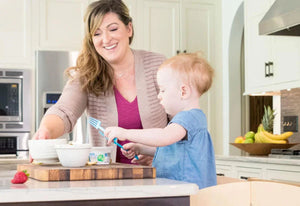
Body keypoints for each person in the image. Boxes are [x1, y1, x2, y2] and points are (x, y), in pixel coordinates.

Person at [32, 0, 168, 165]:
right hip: (108, 178)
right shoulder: (87, 74)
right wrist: (46, 131)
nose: (106, 39)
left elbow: (181, 123)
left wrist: (158, 151)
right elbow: (64, 111)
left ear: (129, 29)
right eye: (97, 33)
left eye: (113, 29)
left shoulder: (158, 65)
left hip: (161, 176)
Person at [104, 52, 217, 189]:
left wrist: (125, 133)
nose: (159, 96)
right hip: (181, 192)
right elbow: (173, 151)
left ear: (183, 92)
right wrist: (141, 148)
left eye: (163, 90)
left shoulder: (187, 118)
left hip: (183, 193)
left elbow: (163, 137)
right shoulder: (193, 118)